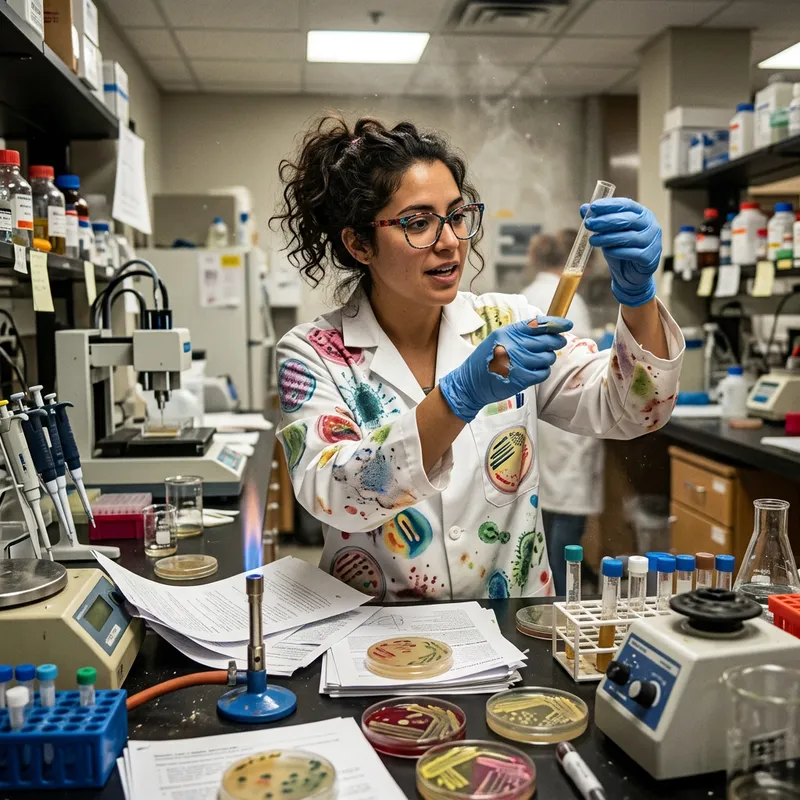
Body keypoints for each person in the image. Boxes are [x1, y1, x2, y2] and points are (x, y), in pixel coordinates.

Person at [273, 116, 684, 602]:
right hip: (374, 637)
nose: (450, 240)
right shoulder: (312, 354)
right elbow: (334, 494)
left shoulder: (512, 321)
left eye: (456, 215)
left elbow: (633, 409)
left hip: (512, 624)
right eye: (418, 222)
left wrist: (636, 297)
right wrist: (456, 398)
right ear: (359, 243)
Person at [521, 231, 603, 595]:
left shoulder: (527, 294)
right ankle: (561, 596)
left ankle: (548, 589)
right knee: (568, 518)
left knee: (546, 513)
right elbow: (582, 368)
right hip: (567, 425)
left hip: (541, 421)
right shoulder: (571, 297)